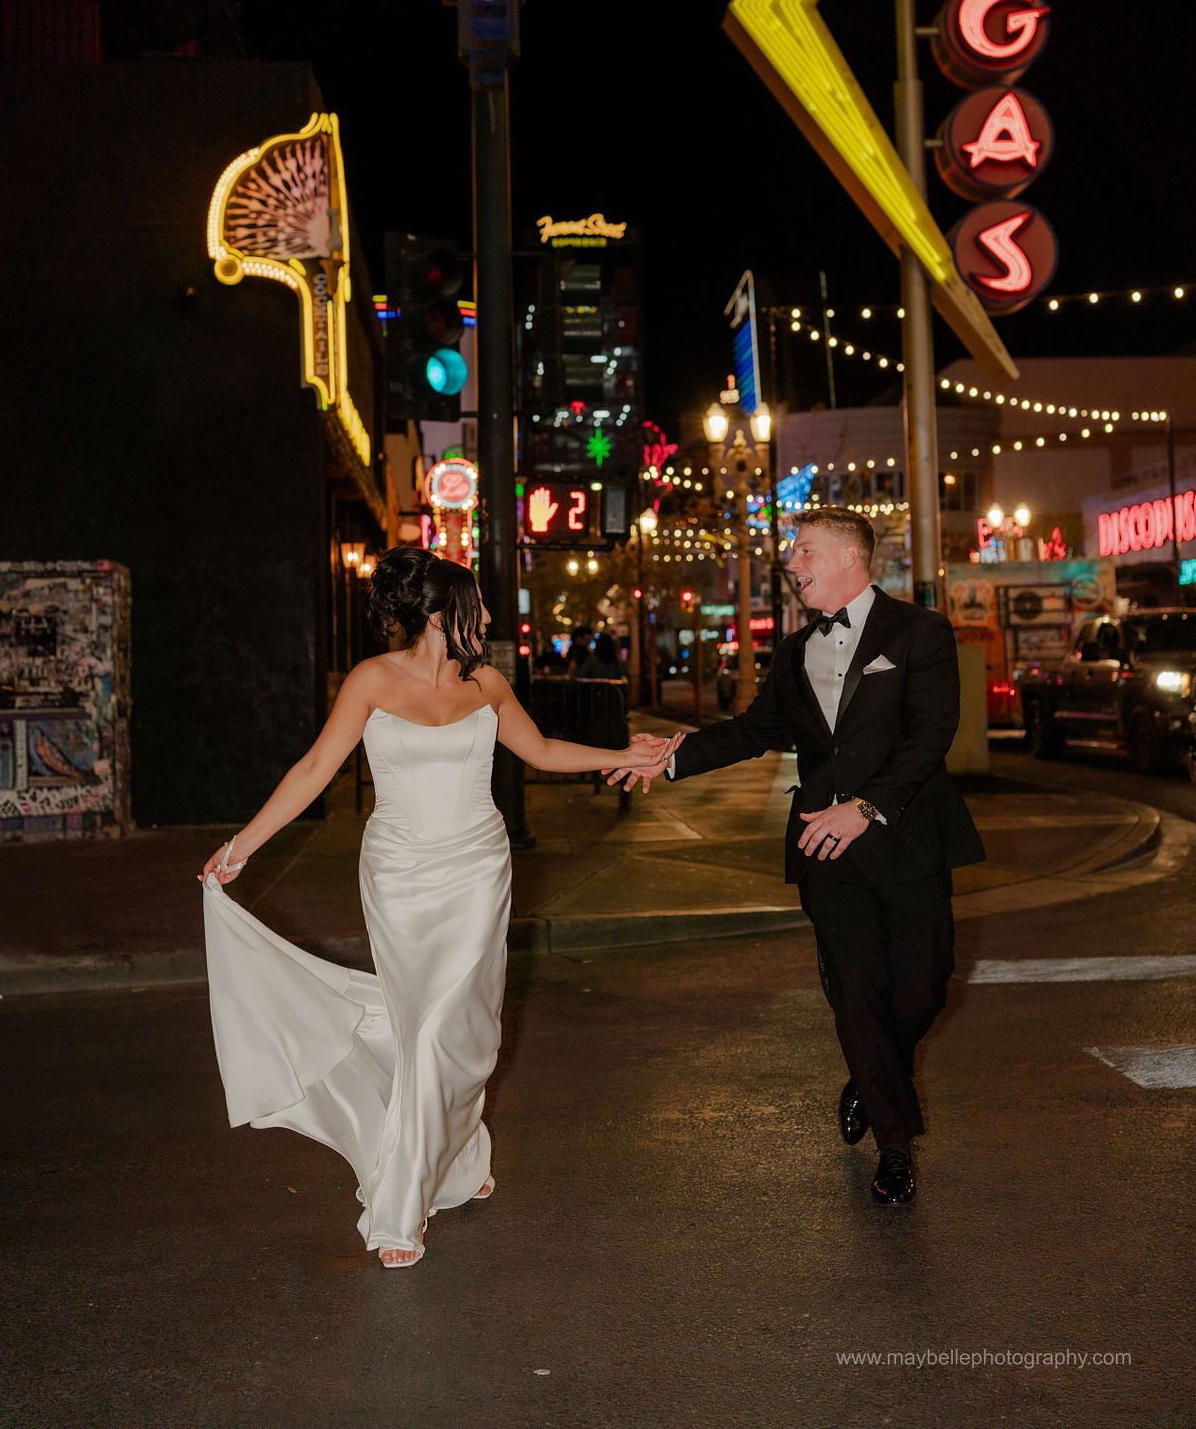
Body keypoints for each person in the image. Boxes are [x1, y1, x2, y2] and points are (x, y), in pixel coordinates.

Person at [200, 548, 676, 1270]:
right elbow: (312, 770)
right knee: (421, 1026)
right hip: (397, 873)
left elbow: (541, 750)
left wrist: (627, 755)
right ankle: (405, 1205)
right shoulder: (372, 680)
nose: (486, 617)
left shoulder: (486, 683)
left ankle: (452, 1159)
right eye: (475, 605)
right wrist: (242, 846)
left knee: (460, 1027)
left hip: (477, 869)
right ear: (436, 613)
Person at [608, 508, 985, 1207]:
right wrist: (669, 758)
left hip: (907, 841)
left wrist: (867, 807)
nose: (790, 562)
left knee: (921, 989)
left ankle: (874, 1077)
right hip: (822, 845)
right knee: (857, 995)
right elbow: (755, 731)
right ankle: (895, 1149)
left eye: (803, 549)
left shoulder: (920, 633)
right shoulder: (792, 653)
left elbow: (930, 735)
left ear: (849, 556)